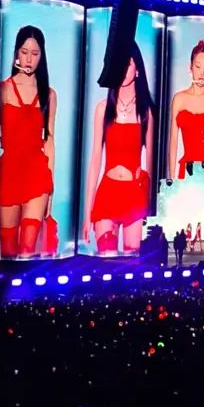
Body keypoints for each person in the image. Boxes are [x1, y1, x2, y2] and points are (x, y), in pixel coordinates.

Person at [83, 47, 156, 255]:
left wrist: (149, 207)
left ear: (137, 70)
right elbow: (95, 160)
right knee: (106, 260)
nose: (123, 69)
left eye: (128, 64)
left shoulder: (146, 113)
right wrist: (87, 212)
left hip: (134, 195)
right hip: (108, 192)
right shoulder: (103, 109)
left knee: (133, 263)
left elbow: (151, 163)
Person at [0, 25, 56, 257]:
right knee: (8, 249)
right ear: (16, 54)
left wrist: (50, 189)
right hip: (9, 174)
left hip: (37, 174)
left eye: (35, 53)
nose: (29, 59)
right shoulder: (3, 90)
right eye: (24, 52)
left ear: (42, 56)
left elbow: (49, 140)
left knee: (28, 250)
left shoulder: (49, 95)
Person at [169, 40, 204, 179]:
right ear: (190, 67)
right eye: (198, 66)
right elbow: (173, 144)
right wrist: (172, 181)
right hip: (188, 171)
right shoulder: (179, 99)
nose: (201, 73)